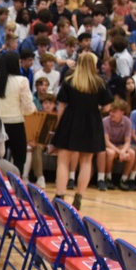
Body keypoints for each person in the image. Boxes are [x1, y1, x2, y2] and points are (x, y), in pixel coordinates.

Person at [52, 52, 113, 208]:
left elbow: (62, 106)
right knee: (86, 162)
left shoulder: (70, 80)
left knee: (63, 162)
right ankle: (79, 197)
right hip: (91, 121)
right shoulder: (100, 83)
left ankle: (59, 196)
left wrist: (58, 126)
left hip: (70, 121)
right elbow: (107, 107)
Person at [0, 51, 33, 174]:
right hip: (16, 124)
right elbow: (29, 108)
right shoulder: (22, 81)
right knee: (19, 159)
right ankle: (15, 187)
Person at [97, 99, 136, 190]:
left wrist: (123, 151)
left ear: (122, 112)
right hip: (108, 145)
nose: (111, 114)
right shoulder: (105, 121)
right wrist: (120, 152)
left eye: (114, 112)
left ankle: (124, 179)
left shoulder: (127, 122)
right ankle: (108, 177)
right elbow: (106, 142)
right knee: (111, 153)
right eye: (110, 111)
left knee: (132, 153)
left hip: (120, 145)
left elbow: (127, 141)